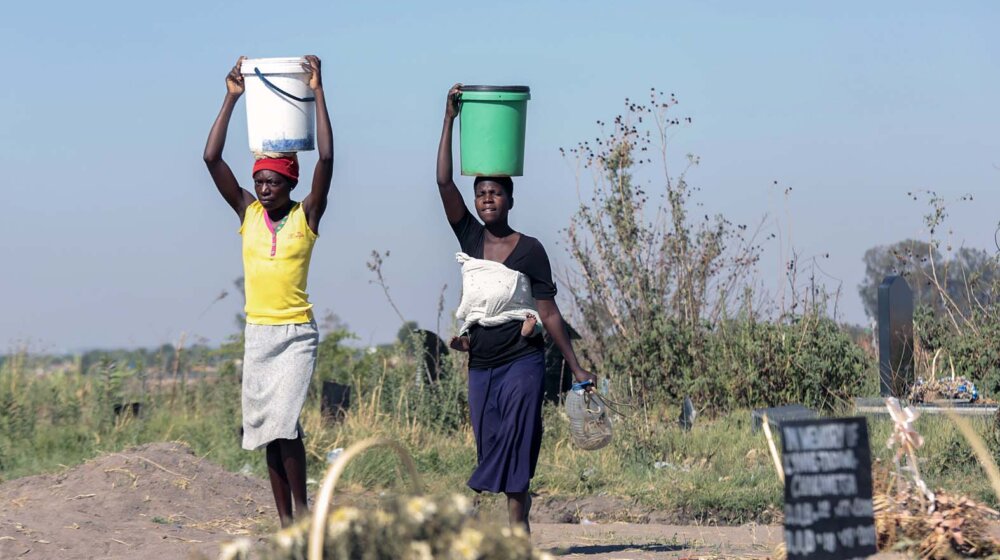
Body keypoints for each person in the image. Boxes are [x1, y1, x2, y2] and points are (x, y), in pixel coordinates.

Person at [435, 83, 597, 532]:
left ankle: (517, 528)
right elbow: (444, 182)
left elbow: (549, 312)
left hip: (522, 360)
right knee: (490, 442)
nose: (487, 199)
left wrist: (577, 367)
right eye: (481, 194)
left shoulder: (530, 250)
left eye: (495, 193)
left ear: (510, 199)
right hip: (481, 362)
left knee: (518, 436)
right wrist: (449, 119)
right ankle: (511, 524)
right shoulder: (470, 237)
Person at [203, 55, 333, 527]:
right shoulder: (247, 213)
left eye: (272, 181)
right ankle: (286, 523)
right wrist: (231, 98)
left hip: (295, 334)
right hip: (258, 334)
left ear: (289, 182)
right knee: (267, 432)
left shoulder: (306, 215)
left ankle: (302, 511)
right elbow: (211, 159)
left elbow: (327, 160)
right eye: (258, 180)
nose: (262, 188)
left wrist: (318, 92)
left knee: (284, 423)